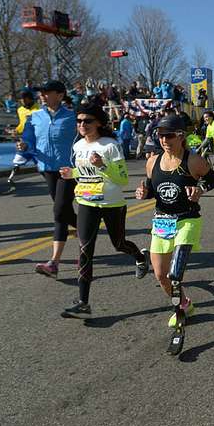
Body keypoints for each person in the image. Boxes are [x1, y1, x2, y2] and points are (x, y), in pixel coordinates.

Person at [134, 115, 214, 355]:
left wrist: (200, 189)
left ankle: (179, 315)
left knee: (174, 274)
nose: (164, 139)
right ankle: (185, 304)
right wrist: (143, 192)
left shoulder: (194, 161)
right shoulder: (152, 162)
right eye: (160, 135)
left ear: (181, 136)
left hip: (187, 220)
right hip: (162, 221)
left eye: (169, 135)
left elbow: (212, 180)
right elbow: (152, 189)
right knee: (160, 275)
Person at [59, 100, 149, 318]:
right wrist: (72, 174)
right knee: (84, 249)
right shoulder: (78, 146)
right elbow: (84, 173)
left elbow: (122, 179)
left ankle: (139, 256)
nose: (82, 124)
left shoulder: (110, 145)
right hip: (87, 203)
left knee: (119, 244)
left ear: (99, 122)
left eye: (87, 121)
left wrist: (102, 165)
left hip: (112, 203)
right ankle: (83, 301)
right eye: (79, 121)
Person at [19, 80, 78, 278]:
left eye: (47, 92)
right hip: (46, 169)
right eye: (40, 92)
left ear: (60, 95)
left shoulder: (73, 117)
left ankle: (54, 263)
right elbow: (28, 139)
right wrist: (24, 146)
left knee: (59, 210)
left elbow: (86, 138)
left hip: (68, 170)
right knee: (64, 210)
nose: (42, 95)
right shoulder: (34, 117)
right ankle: (86, 230)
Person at [7, 89, 42, 187]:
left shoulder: (39, 109)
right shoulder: (20, 110)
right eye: (21, 99)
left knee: (41, 164)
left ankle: (49, 179)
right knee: (18, 159)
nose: (22, 101)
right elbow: (22, 124)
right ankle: (11, 178)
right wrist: (16, 130)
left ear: (30, 99)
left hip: (37, 140)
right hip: (25, 139)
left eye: (24, 99)